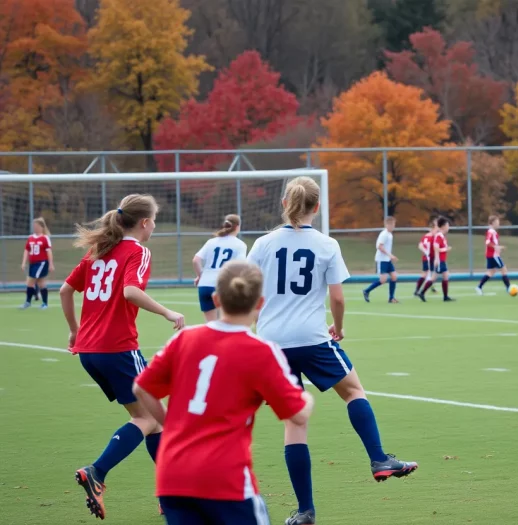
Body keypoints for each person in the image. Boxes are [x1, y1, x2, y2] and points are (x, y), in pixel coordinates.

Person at [246, 177, 417, 525]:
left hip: (271, 345)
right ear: (317, 207)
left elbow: (247, 292)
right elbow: (337, 297)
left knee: (295, 422)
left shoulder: (262, 244)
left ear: (283, 204)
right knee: (353, 390)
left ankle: (305, 510)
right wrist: (337, 327)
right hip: (312, 338)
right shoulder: (327, 245)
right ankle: (378, 458)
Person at [133, 262, 314, 525]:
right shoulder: (259, 351)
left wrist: (169, 424)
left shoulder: (185, 339)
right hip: (225, 478)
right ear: (260, 303)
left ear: (216, 299)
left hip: (173, 475)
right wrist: (305, 397)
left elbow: (142, 388)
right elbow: (297, 415)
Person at [59, 194, 185, 520]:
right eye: (154, 219)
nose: (154, 225)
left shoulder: (99, 251)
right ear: (144, 222)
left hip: (89, 351)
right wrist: (168, 312)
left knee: (154, 422)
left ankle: (170, 495)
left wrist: (75, 330)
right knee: (150, 418)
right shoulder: (138, 251)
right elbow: (130, 291)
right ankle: (97, 473)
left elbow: (65, 290)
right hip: (118, 348)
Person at [193, 214, 248, 321]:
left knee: (211, 326)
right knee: (226, 325)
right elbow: (240, 267)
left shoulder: (211, 242)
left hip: (205, 285)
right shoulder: (240, 245)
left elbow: (196, 260)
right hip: (223, 285)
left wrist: (200, 276)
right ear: (237, 227)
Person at [363, 216, 398, 303]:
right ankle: (366, 291)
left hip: (387, 260)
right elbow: (379, 246)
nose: (393, 226)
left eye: (394, 224)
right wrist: (390, 255)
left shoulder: (390, 234)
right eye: (392, 224)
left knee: (394, 277)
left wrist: (390, 257)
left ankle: (391, 298)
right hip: (382, 260)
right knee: (383, 280)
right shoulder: (384, 234)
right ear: (387, 225)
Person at [418, 216, 454, 302]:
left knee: (445, 276)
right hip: (440, 260)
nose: (448, 227)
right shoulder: (439, 235)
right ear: (443, 226)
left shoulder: (442, 236)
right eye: (447, 225)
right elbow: (435, 247)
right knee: (434, 277)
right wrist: (438, 258)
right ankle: (422, 293)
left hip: (442, 260)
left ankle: (445, 297)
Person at [20, 217, 54, 309]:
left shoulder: (45, 238)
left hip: (42, 263)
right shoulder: (30, 238)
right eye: (34, 226)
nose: (35, 227)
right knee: (41, 283)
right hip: (32, 264)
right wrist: (23, 263)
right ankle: (44, 303)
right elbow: (26, 250)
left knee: (30, 281)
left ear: (41, 227)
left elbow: (49, 252)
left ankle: (28, 302)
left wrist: (51, 264)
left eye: (37, 226)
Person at [475, 215, 511, 295]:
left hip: (491, 255)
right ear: (493, 223)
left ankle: (479, 287)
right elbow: (487, 242)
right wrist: (497, 247)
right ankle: (509, 288)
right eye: (497, 222)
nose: (498, 224)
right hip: (494, 255)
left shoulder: (492, 232)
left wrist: (498, 248)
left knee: (491, 271)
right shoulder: (491, 232)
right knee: (503, 269)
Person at [414, 217, 438, 296]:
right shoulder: (433, 237)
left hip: (427, 257)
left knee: (428, 273)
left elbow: (420, 245)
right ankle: (418, 290)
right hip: (430, 258)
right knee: (429, 273)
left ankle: (428, 288)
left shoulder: (426, 236)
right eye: (436, 227)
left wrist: (425, 251)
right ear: (433, 228)